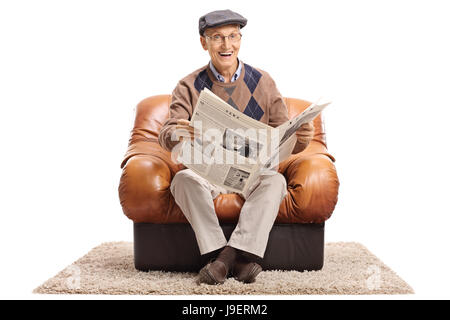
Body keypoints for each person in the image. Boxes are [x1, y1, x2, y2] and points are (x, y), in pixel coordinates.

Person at [158, 9, 315, 285]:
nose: (226, 45)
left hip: (252, 174)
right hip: (209, 174)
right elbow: (167, 133)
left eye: (232, 36)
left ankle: (222, 262)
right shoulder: (188, 85)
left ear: (240, 40)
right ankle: (233, 257)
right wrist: (176, 132)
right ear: (203, 43)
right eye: (217, 37)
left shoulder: (263, 82)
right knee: (182, 179)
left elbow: (283, 137)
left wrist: (302, 135)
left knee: (276, 182)